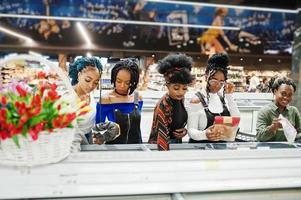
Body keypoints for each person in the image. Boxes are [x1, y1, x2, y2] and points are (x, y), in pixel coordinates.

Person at [187, 53, 240, 142]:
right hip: (202, 151)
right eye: (214, 80)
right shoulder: (196, 100)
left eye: (221, 82)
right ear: (206, 77)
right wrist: (205, 134)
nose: (217, 85)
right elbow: (191, 131)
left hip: (221, 150)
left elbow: (236, 120)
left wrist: (229, 96)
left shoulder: (223, 98)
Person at [68, 57, 119, 150]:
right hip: (74, 144)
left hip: (89, 140)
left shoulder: (89, 93)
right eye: (87, 80)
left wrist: (100, 131)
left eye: (96, 83)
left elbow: (89, 121)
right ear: (79, 75)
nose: (91, 86)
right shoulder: (68, 98)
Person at [148, 54, 193, 150]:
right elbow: (161, 139)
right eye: (176, 88)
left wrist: (184, 131)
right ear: (167, 86)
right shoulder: (162, 105)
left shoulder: (180, 99)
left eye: (184, 88)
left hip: (176, 145)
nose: (181, 92)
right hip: (162, 147)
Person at [96, 59, 143, 144]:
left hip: (137, 148)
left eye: (127, 82)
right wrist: (101, 137)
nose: (122, 86)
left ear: (133, 82)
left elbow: (136, 126)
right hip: (114, 150)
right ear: (114, 78)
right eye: (118, 81)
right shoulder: (106, 99)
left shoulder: (137, 98)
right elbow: (98, 131)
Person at [256, 76, 301, 142]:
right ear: (275, 91)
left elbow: (299, 133)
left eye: (290, 95)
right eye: (283, 94)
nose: (286, 98)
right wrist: (272, 128)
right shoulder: (265, 111)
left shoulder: (293, 111)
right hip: (269, 151)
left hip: (289, 150)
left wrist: (294, 134)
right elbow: (259, 137)